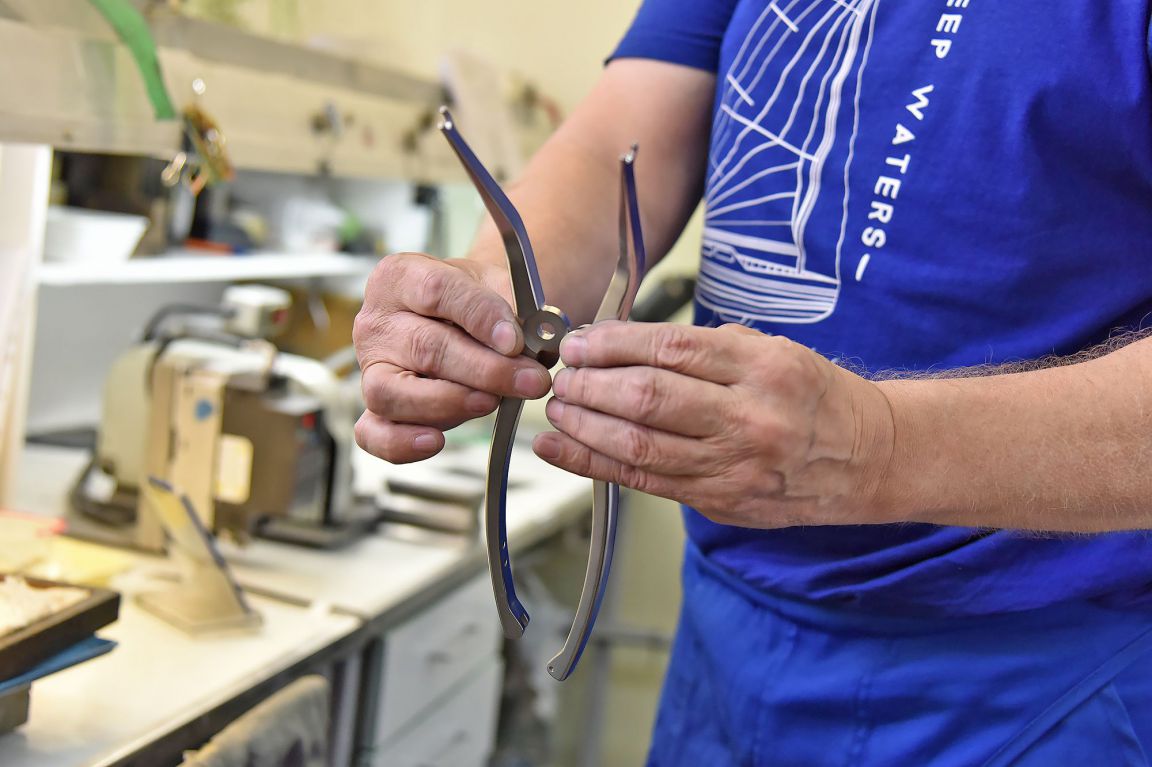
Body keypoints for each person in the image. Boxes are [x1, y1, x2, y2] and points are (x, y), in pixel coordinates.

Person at [353, 1, 1152, 763]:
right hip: (727, 632)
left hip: (1043, 675)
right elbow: (618, 147)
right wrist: (493, 287)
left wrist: (878, 445)